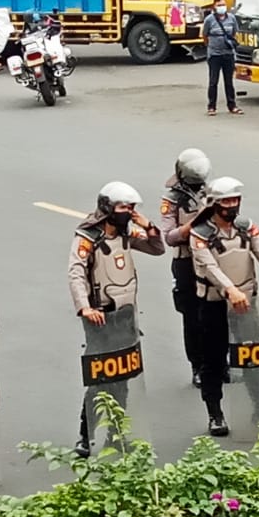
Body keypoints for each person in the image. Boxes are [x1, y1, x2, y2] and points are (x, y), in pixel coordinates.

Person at [191, 177, 259, 435]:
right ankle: (215, 413)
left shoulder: (246, 227)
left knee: (254, 357)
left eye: (235, 200)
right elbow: (210, 268)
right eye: (226, 201)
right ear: (214, 204)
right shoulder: (200, 233)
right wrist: (230, 291)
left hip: (246, 304)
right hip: (215, 304)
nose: (231, 206)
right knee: (214, 362)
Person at [69, 182, 165, 457]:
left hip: (125, 316)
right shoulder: (88, 237)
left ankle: (116, 434)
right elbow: (75, 273)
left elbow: (157, 248)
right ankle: (85, 436)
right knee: (100, 379)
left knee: (123, 377)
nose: (128, 212)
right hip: (101, 317)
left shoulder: (126, 234)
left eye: (131, 208)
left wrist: (147, 225)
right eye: (124, 207)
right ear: (108, 208)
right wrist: (84, 307)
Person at [160, 148, 213, 388]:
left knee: (215, 312)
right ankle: (197, 366)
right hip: (186, 262)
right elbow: (168, 236)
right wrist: (193, 225)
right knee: (192, 316)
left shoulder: (209, 193)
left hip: (211, 260)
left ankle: (218, 362)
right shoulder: (172, 200)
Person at [202, 0, 242, 117]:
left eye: (223, 5)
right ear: (214, 6)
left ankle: (232, 106)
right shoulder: (209, 20)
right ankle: (211, 107)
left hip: (228, 54)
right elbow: (205, 35)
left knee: (229, 82)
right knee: (213, 82)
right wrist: (211, 46)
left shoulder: (231, 18)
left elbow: (235, 33)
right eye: (219, 5)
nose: (222, 7)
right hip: (214, 55)